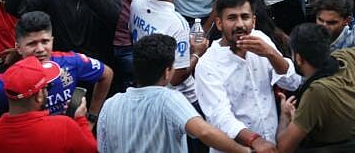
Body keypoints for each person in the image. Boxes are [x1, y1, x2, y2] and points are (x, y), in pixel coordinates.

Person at [98, 33, 249, 153]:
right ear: (167, 72)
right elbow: (204, 132)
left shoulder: (110, 104)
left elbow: (103, 148)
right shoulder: (168, 99)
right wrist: (243, 150)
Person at [193, 0, 303, 151]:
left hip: (271, 145)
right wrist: (255, 141)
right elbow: (220, 117)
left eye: (245, 17)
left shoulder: (261, 40)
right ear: (219, 23)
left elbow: (292, 83)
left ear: (253, 20)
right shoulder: (208, 64)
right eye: (232, 18)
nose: (239, 24)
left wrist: (271, 54)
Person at [276, 24, 355, 150]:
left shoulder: (316, 93)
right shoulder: (346, 58)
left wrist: (284, 116)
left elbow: (283, 147)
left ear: (298, 58)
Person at [0, 56, 96, 153]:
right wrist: (81, 120)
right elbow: (92, 150)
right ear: (39, 96)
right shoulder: (64, 127)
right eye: (47, 87)